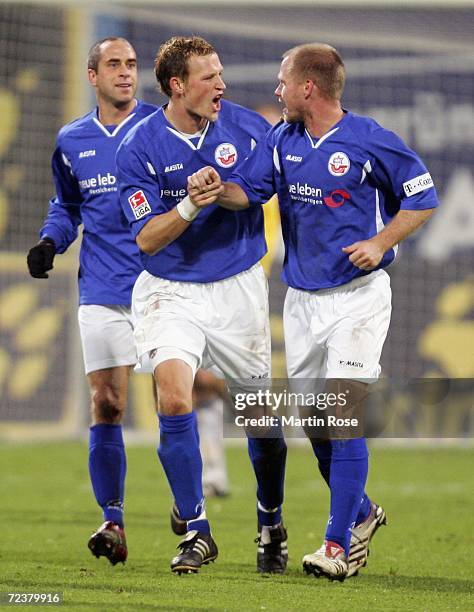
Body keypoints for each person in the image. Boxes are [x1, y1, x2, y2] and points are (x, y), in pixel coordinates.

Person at [187, 43, 439, 581]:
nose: (277, 91)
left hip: (359, 298)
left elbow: (422, 196)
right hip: (301, 302)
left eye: (282, 82)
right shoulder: (283, 141)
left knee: (343, 414)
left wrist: (381, 240)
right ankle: (364, 513)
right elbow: (248, 192)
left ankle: (336, 545)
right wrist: (215, 189)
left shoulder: (371, 140)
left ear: (309, 88)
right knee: (316, 425)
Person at [116, 36, 288, 575]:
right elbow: (146, 239)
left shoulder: (247, 128)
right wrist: (190, 203)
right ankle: (196, 528)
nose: (222, 84)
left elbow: (258, 191)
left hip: (238, 285)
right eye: (209, 77)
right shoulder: (139, 147)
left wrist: (222, 188)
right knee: (173, 399)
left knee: (261, 420)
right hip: (171, 289)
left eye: (221, 74)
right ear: (176, 85)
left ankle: (270, 521)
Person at [26, 37, 158, 565]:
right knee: (107, 403)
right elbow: (67, 205)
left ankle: (192, 510)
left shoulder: (161, 127)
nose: (126, 73)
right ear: (91, 75)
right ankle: (113, 521)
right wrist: (50, 240)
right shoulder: (71, 139)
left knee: (183, 399)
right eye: (114, 65)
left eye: (131, 65)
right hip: (102, 288)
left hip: (162, 287)